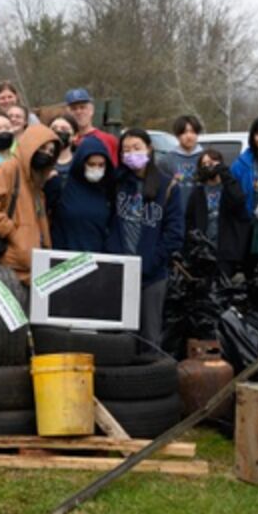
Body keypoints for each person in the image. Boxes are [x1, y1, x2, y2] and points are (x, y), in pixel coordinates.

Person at [104, 128, 184, 350]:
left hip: (152, 275)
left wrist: (151, 262)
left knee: (149, 335)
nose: (132, 153)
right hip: (119, 270)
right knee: (119, 336)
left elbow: (174, 233)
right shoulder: (116, 183)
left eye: (136, 148)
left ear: (149, 148)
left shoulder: (168, 186)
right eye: (126, 150)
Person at [0, 123, 60, 284]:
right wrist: (12, 231)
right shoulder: (9, 169)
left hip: (33, 271)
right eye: (42, 148)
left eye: (51, 151)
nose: (46, 154)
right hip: (10, 269)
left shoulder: (36, 182)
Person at [186, 149, 250, 279]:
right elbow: (189, 221)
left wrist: (225, 174)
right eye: (204, 164)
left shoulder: (229, 188)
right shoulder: (197, 192)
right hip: (204, 252)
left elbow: (239, 202)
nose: (208, 166)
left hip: (225, 252)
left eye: (211, 162)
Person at [47, 134, 115, 253]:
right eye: (91, 164)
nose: (96, 169)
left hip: (98, 258)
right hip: (62, 258)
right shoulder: (61, 185)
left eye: (101, 165)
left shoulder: (109, 190)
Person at [157, 114, 205, 213]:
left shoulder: (206, 158)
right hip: (176, 214)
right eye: (184, 132)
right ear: (177, 135)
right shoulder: (166, 160)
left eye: (192, 132)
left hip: (201, 214)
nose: (189, 136)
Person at [64, 87, 119, 165]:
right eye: (74, 109)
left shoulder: (108, 140)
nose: (79, 112)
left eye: (82, 107)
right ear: (67, 113)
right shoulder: (64, 141)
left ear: (91, 110)